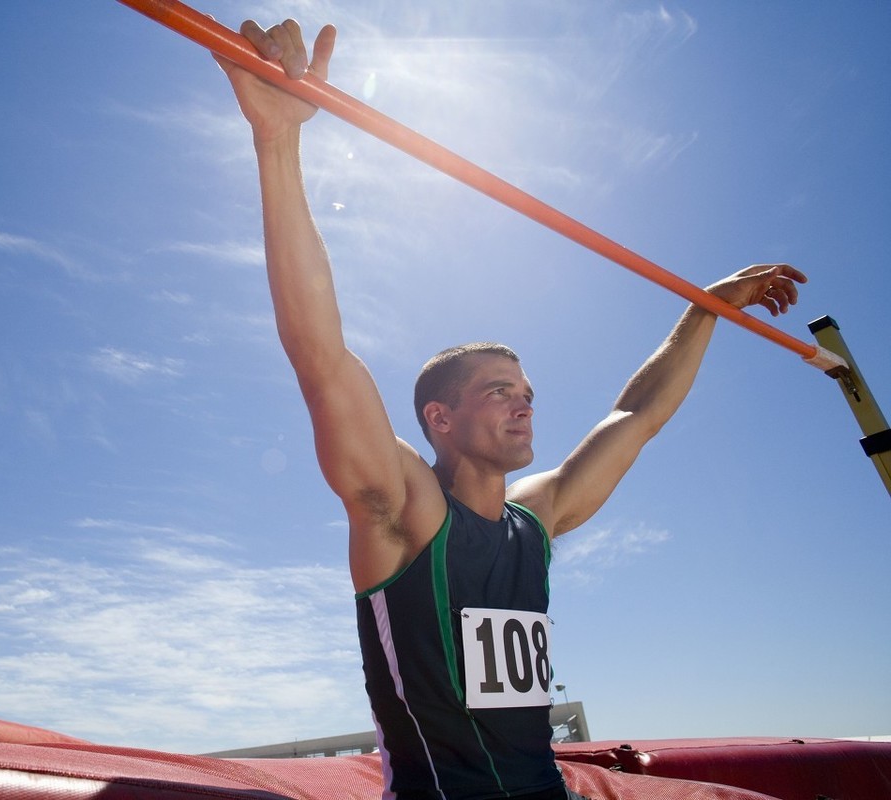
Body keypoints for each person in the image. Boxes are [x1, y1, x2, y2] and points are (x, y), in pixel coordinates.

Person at [215, 17, 807, 800]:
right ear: (440, 419)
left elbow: (636, 418)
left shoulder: (538, 520)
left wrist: (708, 311)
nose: (525, 404)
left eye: (527, 391)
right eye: (500, 391)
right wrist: (277, 144)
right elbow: (320, 357)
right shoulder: (401, 511)